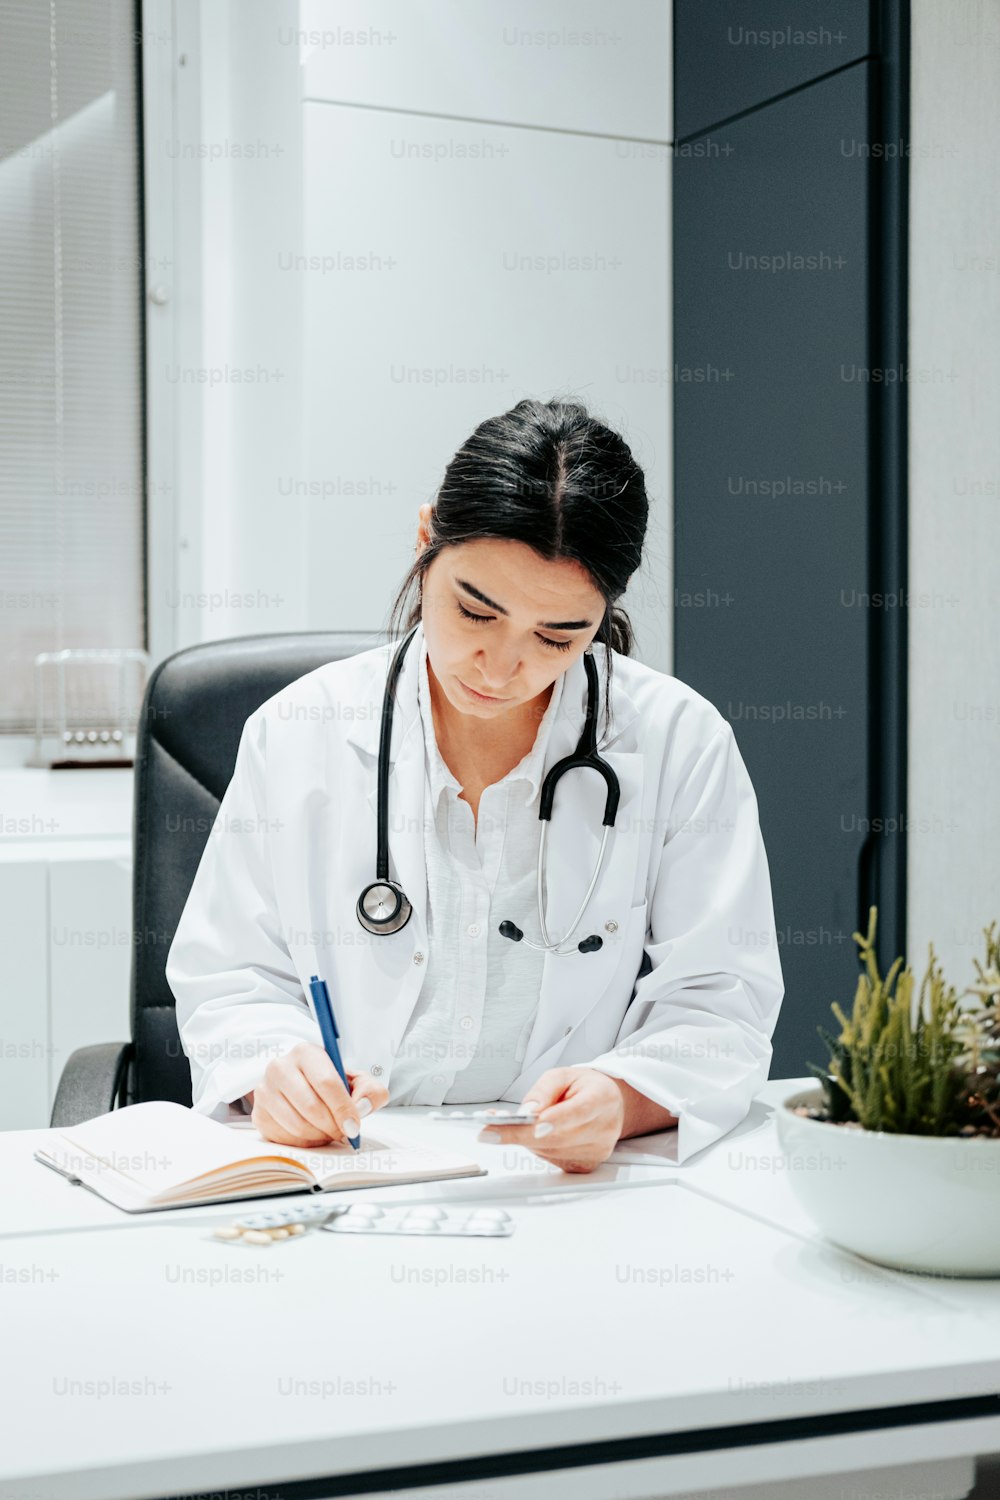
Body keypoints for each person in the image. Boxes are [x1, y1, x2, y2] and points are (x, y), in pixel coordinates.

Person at [166, 398, 783, 1171]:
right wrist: (273, 1074)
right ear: (427, 540)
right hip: (354, 1165)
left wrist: (625, 1099)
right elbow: (229, 974)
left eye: (558, 635)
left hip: (567, 1181)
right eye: (474, 611)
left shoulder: (678, 742)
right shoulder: (299, 731)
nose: (500, 667)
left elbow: (721, 999)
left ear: (604, 617)